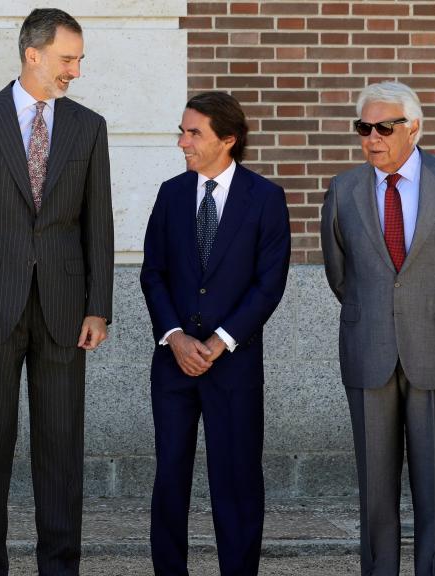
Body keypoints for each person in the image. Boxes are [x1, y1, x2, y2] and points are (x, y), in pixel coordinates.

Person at [0, 8, 113, 575]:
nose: (75, 72)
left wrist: (98, 307)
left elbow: (98, 227)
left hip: (64, 311)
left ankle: (59, 568)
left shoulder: (88, 126)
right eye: (67, 59)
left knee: (60, 454)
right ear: (32, 54)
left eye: (79, 60)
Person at [320, 81, 435, 576]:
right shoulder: (344, 188)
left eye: (383, 128)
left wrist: (433, 315)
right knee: (375, 490)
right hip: (367, 347)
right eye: (363, 128)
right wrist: (379, 314)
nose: (371, 138)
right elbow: (340, 273)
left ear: (413, 128)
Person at [140, 91, 290, 575]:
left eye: (193, 132)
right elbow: (153, 273)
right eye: (182, 131)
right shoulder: (170, 194)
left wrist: (220, 341)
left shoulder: (265, 199)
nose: (182, 141)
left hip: (234, 367)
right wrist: (176, 337)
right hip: (174, 365)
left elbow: (269, 285)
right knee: (169, 482)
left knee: (238, 481)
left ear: (229, 139)